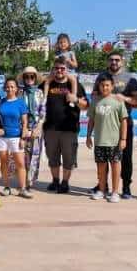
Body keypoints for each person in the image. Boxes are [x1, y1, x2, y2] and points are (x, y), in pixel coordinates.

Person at [91, 50, 137, 198]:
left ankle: (125, 186)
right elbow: (95, 96)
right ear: (108, 61)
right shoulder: (101, 77)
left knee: (125, 157)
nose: (114, 62)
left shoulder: (130, 79)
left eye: (117, 60)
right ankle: (103, 185)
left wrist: (125, 99)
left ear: (122, 61)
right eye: (111, 60)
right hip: (105, 125)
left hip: (124, 124)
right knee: (103, 157)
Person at [42, 57, 88, 194]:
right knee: (52, 157)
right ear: (53, 69)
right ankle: (55, 180)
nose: (59, 71)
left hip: (69, 128)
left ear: (67, 70)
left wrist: (76, 99)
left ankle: (65, 182)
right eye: (56, 68)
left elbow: (86, 105)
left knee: (69, 158)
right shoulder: (47, 84)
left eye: (62, 68)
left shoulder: (75, 85)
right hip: (50, 128)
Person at [87, 74, 128, 203]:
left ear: (112, 86)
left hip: (114, 142)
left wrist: (123, 139)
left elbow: (124, 121)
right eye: (102, 85)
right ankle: (101, 190)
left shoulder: (118, 101)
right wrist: (88, 136)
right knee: (101, 168)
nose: (104, 88)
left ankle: (115, 192)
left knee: (115, 167)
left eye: (107, 85)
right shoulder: (95, 101)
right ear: (99, 86)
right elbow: (91, 120)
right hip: (100, 140)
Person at [0, 78, 30, 198]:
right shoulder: (0, 102)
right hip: (1, 137)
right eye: (7, 86)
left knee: (20, 163)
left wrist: (23, 138)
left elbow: (25, 123)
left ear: (16, 89)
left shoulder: (21, 103)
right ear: (4, 88)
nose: (9, 89)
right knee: (4, 163)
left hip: (16, 137)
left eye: (12, 87)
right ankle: (6, 187)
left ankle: (22, 188)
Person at [18, 67, 45, 192]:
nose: (29, 79)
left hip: (36, 127)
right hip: (22, 127)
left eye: (32, 76)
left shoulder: (40, 93)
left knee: (35, 155)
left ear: (35, 78)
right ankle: (23, 180)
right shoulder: (19, 93)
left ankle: (30, 181)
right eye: (26, 76)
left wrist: (38, 127)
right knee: (22, 154)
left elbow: (43, 111)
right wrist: (22, 128)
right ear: (23, 79)